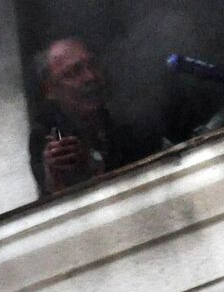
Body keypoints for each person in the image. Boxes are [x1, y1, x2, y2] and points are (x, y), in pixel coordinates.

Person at [27, 38, 142, 196]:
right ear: (51, 89)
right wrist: (54, 176)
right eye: (73, 73)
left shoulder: (130, 116)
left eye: (93, 65)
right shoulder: (43, 134)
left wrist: (94, 163)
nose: (90, 77)